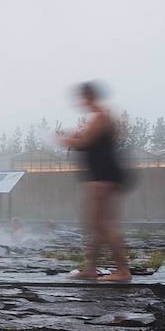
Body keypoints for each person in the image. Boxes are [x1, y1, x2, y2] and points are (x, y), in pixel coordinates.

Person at [58, 81, 130, 282]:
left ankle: (123, 270)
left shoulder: (102, 116)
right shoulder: (98, 118)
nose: (79, 102)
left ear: (89, 97)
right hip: (99, 175)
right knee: (94, 223)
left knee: (102, 224)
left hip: (103, 176)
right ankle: (90, 268)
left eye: (82, 98)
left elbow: (84, 142)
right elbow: (86, 141)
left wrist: (62, 139)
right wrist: (76, 138)